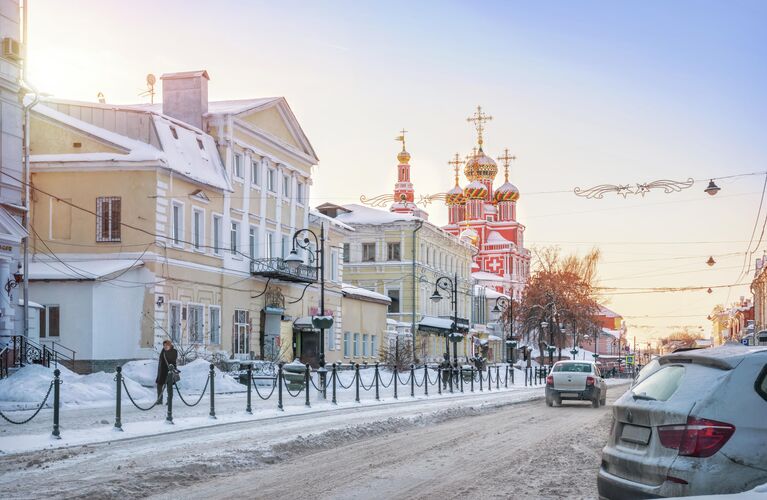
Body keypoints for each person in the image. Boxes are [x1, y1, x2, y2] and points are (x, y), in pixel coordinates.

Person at [155, 340, 178, 404]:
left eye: (166, 345)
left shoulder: (174, 351)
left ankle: (169, 400)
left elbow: (172, 360)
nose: (165, 346)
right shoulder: (163, 351)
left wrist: (167, 352)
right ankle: (159, 400)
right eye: (164, 345)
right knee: (159, 386)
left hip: (169, 372)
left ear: (170, 345)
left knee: (169, 387)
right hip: (162, 372)